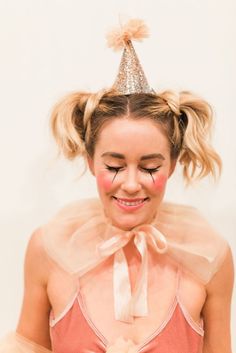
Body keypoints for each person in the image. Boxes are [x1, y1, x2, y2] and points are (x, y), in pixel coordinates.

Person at [0, 19, 234, 353]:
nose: (131, 184)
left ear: (173, 163)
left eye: (150, 167)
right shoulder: (48, 249)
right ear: (90, 161)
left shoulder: (208, 256)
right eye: (114, 166)